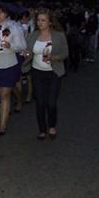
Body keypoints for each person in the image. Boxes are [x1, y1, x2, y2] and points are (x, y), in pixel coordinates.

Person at [25, 7, 68, 140]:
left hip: (53, 72)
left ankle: (52, 126)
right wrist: (26, 54)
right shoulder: (33, 35)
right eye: (38, 20)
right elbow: (29, 51)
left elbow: (65, 53)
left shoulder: (58, 36)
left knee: (51, 102)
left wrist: (54, 58)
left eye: (43, 20)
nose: (40, 23)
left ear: (50, 22)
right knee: (40, 102)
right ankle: (42, 129)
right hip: (37, 72)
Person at [0, 2, 26, 135]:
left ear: (7, 13)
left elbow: (22, 46)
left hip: (8, 62)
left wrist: (10, 45)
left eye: (1, 12)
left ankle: (3, 125)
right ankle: (3, 115)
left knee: (4, 93)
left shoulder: (14, 27)